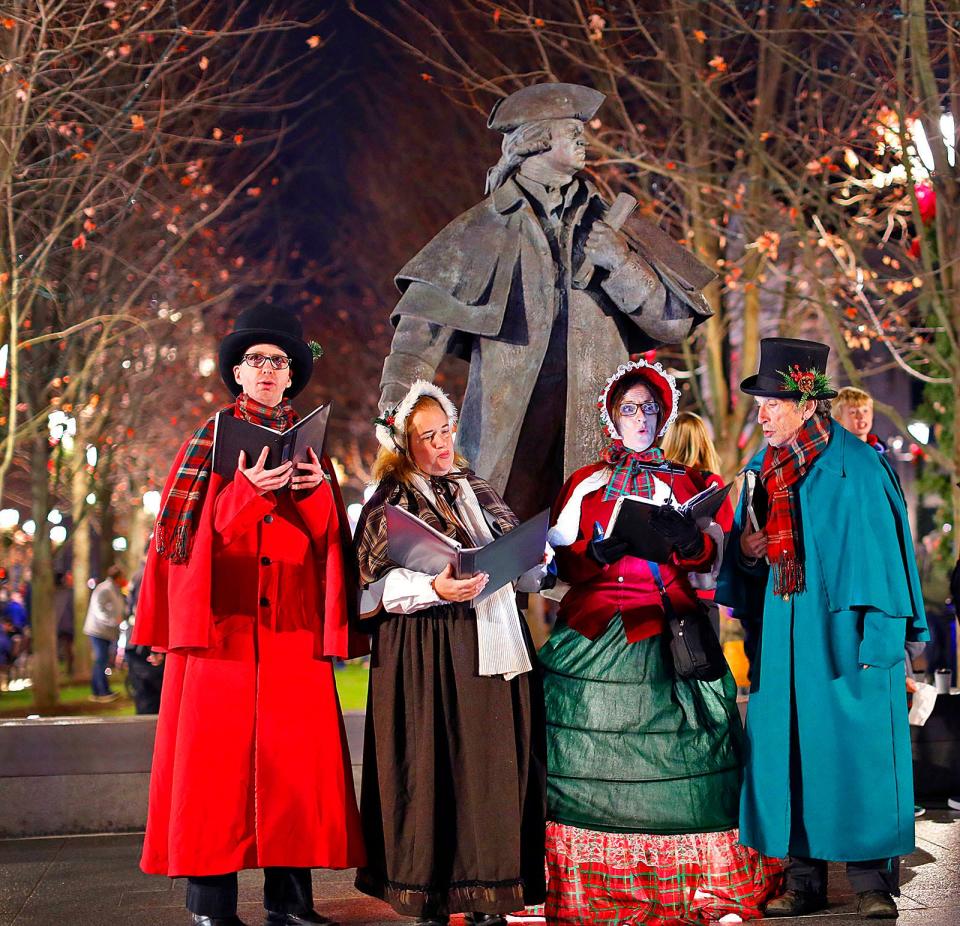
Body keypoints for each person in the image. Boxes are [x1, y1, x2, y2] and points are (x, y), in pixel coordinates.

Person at [379, 82, 714, 520]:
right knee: (494, 566)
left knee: (591, 568)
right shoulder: (482, 228)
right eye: (570, 128)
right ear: (535, 139)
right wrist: (395, 410)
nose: (583, 138)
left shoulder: (611, 222)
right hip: (507, 436)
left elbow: (673, 323)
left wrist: (620, 262)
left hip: (594, 436)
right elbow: (418, 332)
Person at [132, 306, 367, 926]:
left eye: (279, 361)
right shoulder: (207, 441)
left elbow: (329, 552)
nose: (268, 370)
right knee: (216, 774)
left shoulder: (312, 449)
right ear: (237, 372)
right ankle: (211, 906)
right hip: (222, 636)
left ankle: (290, 903)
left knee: (294, 771)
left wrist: (317, 492)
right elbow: (180, 544)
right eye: (257, 360)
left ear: (291, 377)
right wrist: (245, 494)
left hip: (290, 634)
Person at [540, 359, 781, 924]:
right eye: (630, 408)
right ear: (612, 416)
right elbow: (554, 560)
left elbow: (714, 565)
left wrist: (687, 542)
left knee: (686, 746)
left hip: (669, 629)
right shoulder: (586, 482)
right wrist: (588, 555)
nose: (641, 417)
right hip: (593, 626)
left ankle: (695, 877)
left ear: (664, 414)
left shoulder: (690, 482)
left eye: (650, 408)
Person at [717, 337, 929, 920]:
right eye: (760, 402)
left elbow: (886, 559)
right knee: (792, 753)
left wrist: (884, 641)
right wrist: (750, 551)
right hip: (785, 639)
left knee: (855, 751)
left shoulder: (857, 467)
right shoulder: (763, 469)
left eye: (772, 403)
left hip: (845, 639)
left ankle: (870, 883)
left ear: (807, 405)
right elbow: (744, 558)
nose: (760, 414)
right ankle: (804, 879)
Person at [353, 380, 546, 926]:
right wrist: (432, 589)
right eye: (426, 436)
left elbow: (517, 554)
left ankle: (489, 897)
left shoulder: (474, 488)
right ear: (402, 443)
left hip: (490, 643)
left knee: (490, 771)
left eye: (445, 431)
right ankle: (430, 895)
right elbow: (370, 588)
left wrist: (534, 556)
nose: (441, 444)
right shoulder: (388, 504)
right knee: (433, 766)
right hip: (425, 653)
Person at [661, 411, 735, 634]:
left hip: (661, 591)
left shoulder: (659, 481)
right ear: (704, 443)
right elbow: (728, 533)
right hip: (701, 594)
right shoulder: (710, 483)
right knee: (702, 663)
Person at [83, 565, 125, 703]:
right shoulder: (105, 589)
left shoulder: (113, 589)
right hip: (98, 630)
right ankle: (101, 691)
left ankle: (100, 690)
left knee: (102, 660)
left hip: (105, 631)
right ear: (117, 577)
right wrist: (112, 620)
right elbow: (98, 608)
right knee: (101, 659)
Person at [832, 385, 887, 452]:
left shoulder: (881, 451)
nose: (861, 416)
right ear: (838, 419)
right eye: (853, 412)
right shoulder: (836, 452)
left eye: (865, 411)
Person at [54, 571, 75, 678]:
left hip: (66, 625)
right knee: (67, 648)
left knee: (68, 648)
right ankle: (68, 669)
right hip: (66, 625)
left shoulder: (65, 592)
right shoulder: (67, 593)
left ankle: (69, 669)